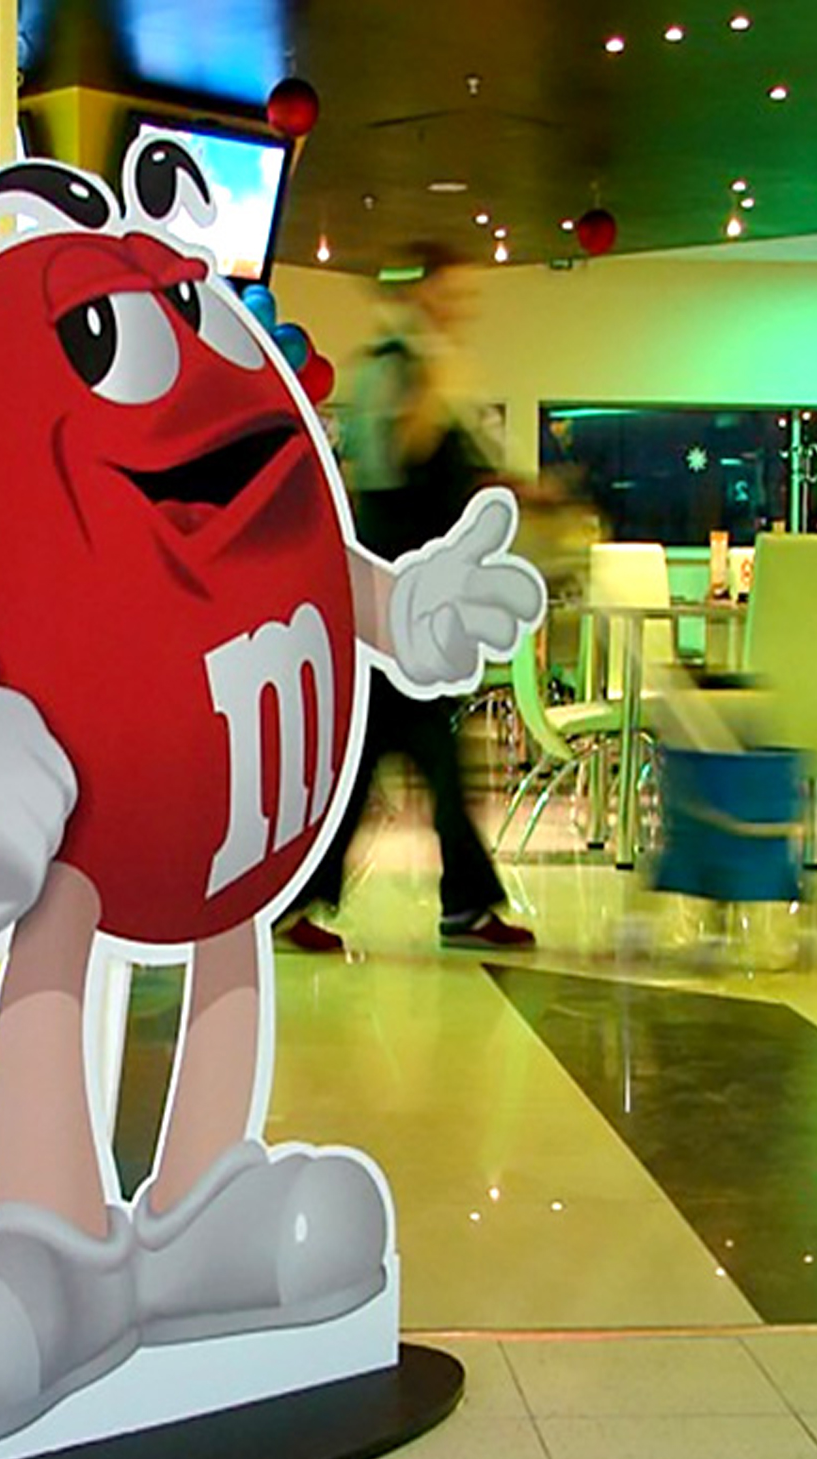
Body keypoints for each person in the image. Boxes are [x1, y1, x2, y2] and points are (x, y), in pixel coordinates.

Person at [280, 242, 536, 953]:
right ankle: (450, 904)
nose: (460, 308)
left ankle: (446, 903)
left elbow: (452, 476)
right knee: (389, 761)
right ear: (423, 292)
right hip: (393, 605)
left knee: (398, 760)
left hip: (414, 609)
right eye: (452, 293)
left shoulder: (426, 369)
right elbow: (392, 472)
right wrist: (437, 392)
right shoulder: (393, 370)